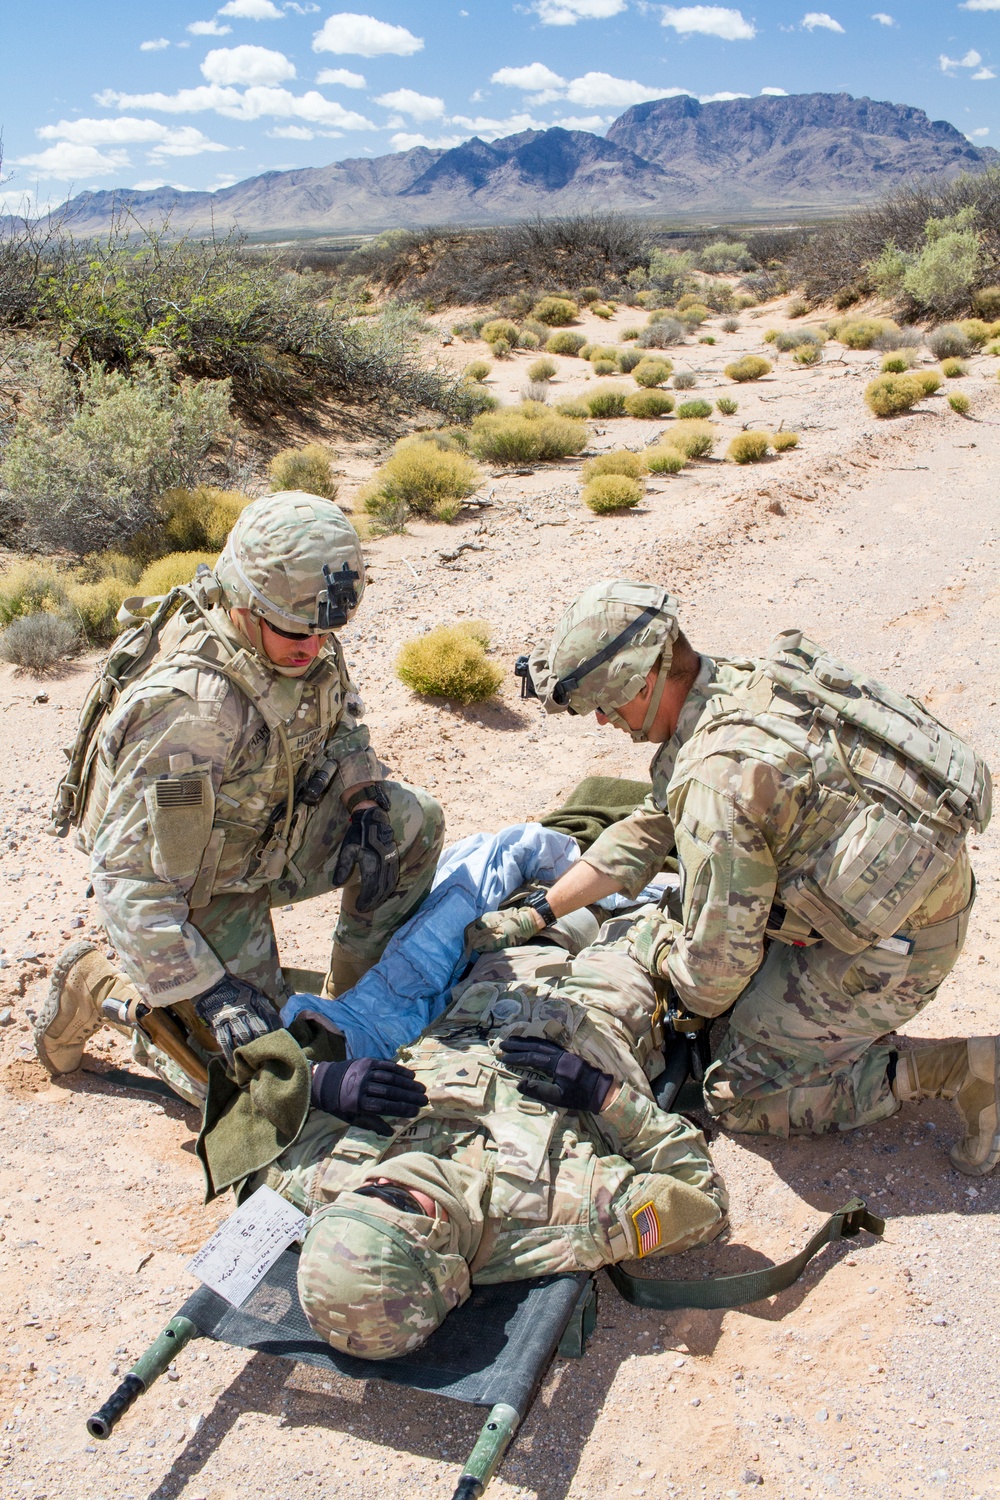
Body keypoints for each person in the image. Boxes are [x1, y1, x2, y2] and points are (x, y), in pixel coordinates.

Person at [466, 580, 999, 1176]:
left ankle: (959, 1070)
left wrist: (656, 944)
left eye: (606, 707)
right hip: (907, 892)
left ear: (645, 682)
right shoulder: (735, 683)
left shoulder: (714, 783)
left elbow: (709, 983)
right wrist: (538, 913)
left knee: (738, 1093)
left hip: (895, 949)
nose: (601, 721)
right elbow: (650, 826)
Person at [35, 492, 444, 1095]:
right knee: (262, 1080)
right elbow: (132, 881)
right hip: (197, 878)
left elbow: (344, 721)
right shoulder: (192, 713)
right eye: (294, 631)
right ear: (246, 603)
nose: (312, 646)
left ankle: (355, 1010)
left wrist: (362, 803)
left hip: (266, 829)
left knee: (411, 822)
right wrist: (211, 993)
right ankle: (98, 985)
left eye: (325, 630)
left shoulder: (300, 626)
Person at [199, 929, 727, 1360]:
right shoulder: (569, 1213)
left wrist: (319, 1084)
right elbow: (701, 1202)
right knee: (666, 894)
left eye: (364, 1193)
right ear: (446, 1265)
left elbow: (244, 1129)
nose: (385, 1180)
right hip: (605, 996)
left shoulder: (321, 1188)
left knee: (546, 884)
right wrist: (605, 1095)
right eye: (401, 1203)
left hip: (488, 981)